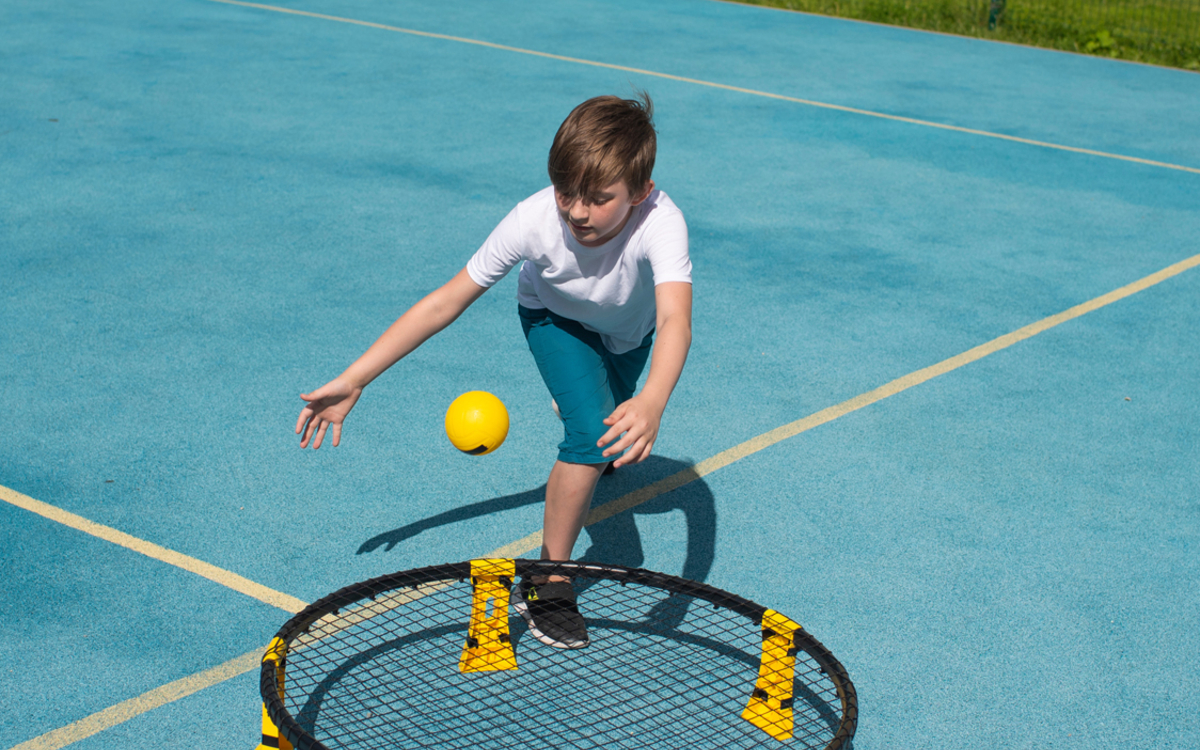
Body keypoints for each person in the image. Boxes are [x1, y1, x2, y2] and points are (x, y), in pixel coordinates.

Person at [295, 93, 692, 649]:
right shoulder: (533, 220)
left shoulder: (662, 221)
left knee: (609, 419)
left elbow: (676, 320)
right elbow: (445, 302)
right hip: (554, 319)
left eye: (599, 199)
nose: (577, 211)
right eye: (566, 192)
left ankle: (583, 409)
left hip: (629, 333)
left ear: (641, 193)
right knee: (592, 436)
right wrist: (357, 377)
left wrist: (651, 400)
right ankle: (550, 579)